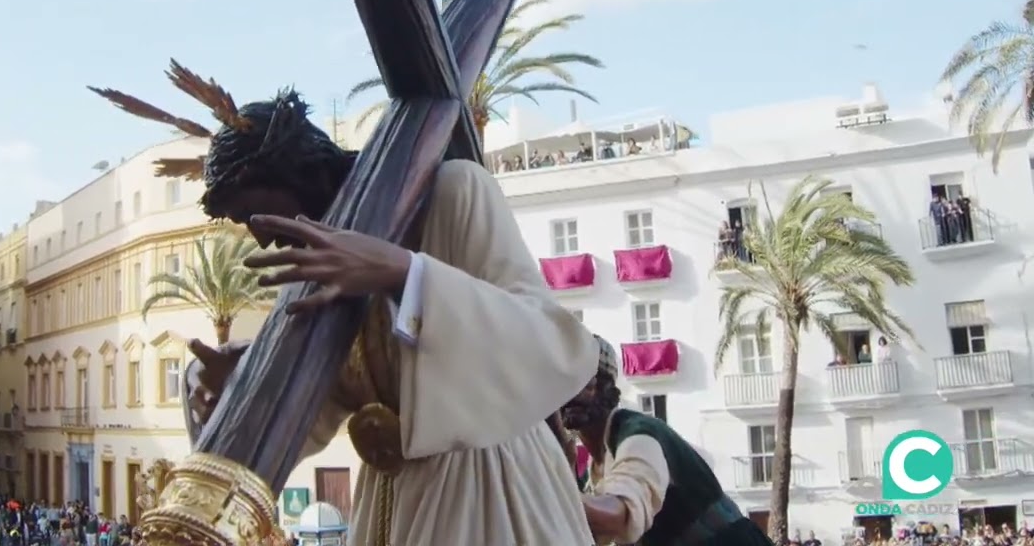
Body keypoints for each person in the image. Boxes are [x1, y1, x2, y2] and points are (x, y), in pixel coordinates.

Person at [92, 71, 598, 545]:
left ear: (303, 171)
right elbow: (314, 410)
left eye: (255, 212)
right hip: (387, 503)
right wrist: (238, 384)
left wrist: (405, 273)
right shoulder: (311, 273)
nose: (260, 237)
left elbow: (554, 346)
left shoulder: (454, 191)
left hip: (491, 493)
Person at [563, 334, 773, 546]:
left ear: (607, 387)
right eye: (562, 385)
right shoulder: (593, 469)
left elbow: (620, 513)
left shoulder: (638, 435)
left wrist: (553, 496)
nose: (571, 394)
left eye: (585, 383)